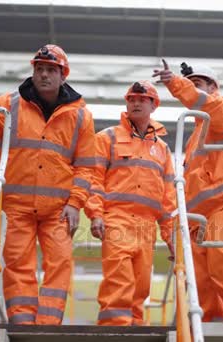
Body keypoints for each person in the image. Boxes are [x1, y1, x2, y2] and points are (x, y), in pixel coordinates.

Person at [0, 44, 95, 325]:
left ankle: (48, 328)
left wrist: (75, 204)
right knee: (17, 264)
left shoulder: (81, 115)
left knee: (59, 263)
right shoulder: (8, 103)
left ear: (63, 75)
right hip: (15, 206)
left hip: (59, 209)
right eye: (39, 69)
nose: (44, 75)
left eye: (50, 70)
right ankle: (22, 324)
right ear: (33, 72)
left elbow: (87, 166)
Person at [152, 61, 223, 322]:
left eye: (198, 85)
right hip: (197, 216)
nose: (194, 91)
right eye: (191, 85)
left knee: (222, 259)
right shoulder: (195, 136)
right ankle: (209, 324)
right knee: (199, 275)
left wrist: (177, 83)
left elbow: (209, 106)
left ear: (213, 88)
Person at [84, 80, 176, 326]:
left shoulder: (163, 150)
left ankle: (135, 327)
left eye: (142, 99)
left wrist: (171, 238)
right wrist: (96, 214)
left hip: (147, 227)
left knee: (141, 283)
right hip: (116, 219)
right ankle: (115, 328)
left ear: (153, 105)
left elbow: (168, 198)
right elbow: (94, 179)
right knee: (119, 279)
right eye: (132, 99)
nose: (135, 103)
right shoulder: (107, 138)